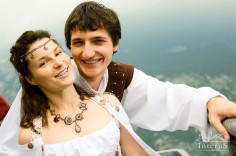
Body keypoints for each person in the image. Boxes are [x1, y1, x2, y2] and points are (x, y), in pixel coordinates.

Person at [1, 0, 236, 153]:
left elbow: (169, 97)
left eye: (98, 41)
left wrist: (211, 102)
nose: (88, 52)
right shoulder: (47, 84)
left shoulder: (120, 78)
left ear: (115, 43)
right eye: (78, 43)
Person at [4, 30, 158, 155]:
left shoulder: (109, 105)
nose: (58, 63)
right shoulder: (32, 137)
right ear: (31, 78)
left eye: (58, 53)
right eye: (44, 63)